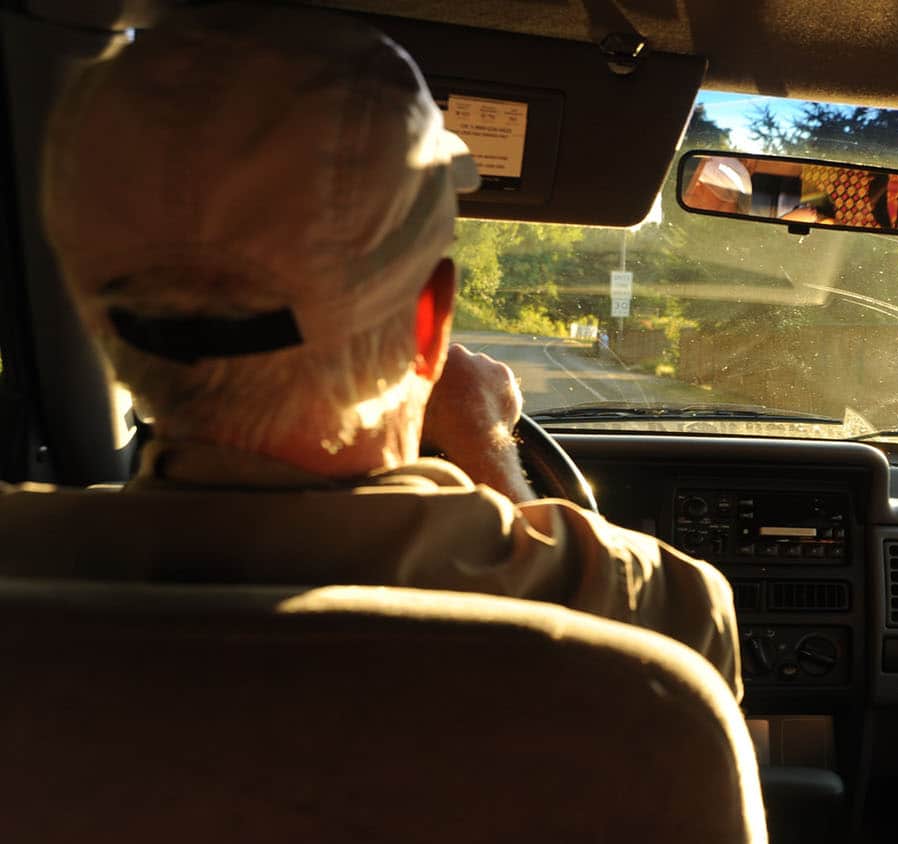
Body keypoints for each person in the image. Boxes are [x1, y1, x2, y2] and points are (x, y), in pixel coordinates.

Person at [0, 3, 740, 695]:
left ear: (91, 312)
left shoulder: (25, 577)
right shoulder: (661, 617)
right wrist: (488, 453)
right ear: (431, 324)